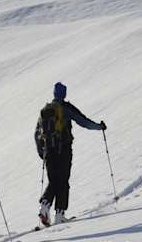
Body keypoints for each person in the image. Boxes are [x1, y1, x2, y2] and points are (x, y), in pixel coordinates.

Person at [37, 82, 107, 227]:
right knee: (63, 180)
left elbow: (37, 133)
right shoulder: (66, 108)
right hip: (64, 149)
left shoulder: (45, 110)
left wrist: (41, 152)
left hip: (49, 151)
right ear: (64, 94)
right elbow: (83, 121)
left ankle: (45, 205)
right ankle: (60, 214)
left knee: (54, 180)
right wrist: (99, 127)